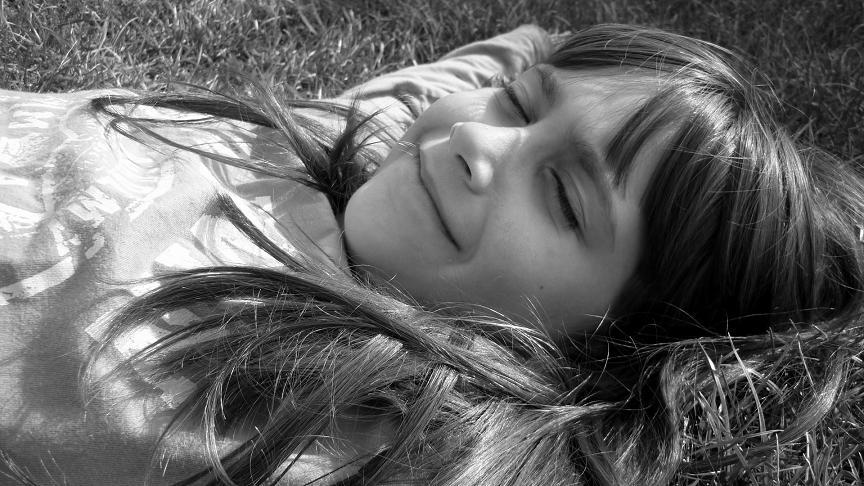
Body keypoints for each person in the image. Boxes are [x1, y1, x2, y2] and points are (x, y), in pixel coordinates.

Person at [1, 23, 862, 485]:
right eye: (519, 106)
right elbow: (437, 86)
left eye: (564, 196)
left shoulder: (371, 433)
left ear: (616, 343)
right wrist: (525, 51)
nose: (479, 140)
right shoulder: (348, 144)